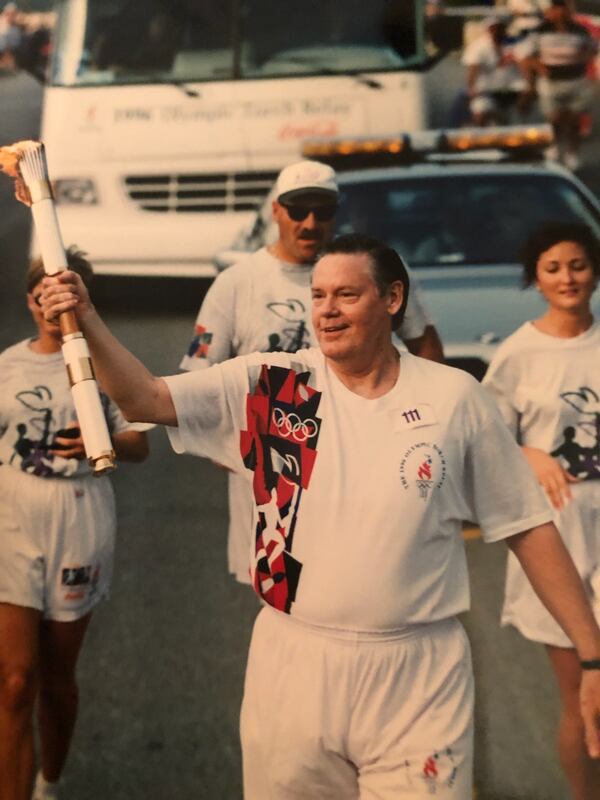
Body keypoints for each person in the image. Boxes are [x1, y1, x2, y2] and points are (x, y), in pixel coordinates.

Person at [40, 232, 600, 799]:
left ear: (393, 299)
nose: (327, 310)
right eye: (319, 296)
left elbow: (527, 527)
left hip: (419, 671)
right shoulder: (274, 386)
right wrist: (85, 316)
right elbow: (145, 400)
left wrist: (593, 658)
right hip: (295, 662)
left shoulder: (455, 399)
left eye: (347, 295)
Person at [180, 159, 444, 584]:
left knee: (364, 583)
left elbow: (425, 344)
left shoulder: (375, 269)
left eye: (322, 212)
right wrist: (224, 445)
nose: (309, 223)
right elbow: (197, 378)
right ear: (275, 211)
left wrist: (420, 424)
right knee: (278, 592)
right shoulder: (236, 284)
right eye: (297, 210)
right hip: (270, 475)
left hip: (357, 461)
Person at [0, 249, 149, 800]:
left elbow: (140, 446)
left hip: (80, 514)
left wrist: (99, 441)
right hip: (14, 514)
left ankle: (49, 783)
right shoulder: (7, 366)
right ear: (31, 300)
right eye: (42, 294)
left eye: (63, 294)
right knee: (15, 682)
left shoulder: (104, 365)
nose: (50, 305)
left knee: (56, 682)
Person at [484, 221, 600, 799]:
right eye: (553, 268)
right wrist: (529, 452)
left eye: (578, 265)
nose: (568, 278)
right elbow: (487, 440)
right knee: (583, 694)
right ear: (536, 277)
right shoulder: (519, 353)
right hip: (559, 533)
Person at [516, 0, 598, 169]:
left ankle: (572, 153)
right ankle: (553, 148)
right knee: (554, 118)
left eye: (563, 9)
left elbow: (593, 49)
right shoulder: (539, 32)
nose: (560, 13)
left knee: (574, 120)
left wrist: (583, 58)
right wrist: (537, 68)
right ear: (551, 11)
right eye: (556, 9)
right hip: (551, 82)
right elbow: (524, 55)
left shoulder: (580, 31)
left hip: (576, 79)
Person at [461, 15, 529, 126]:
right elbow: (472, 70)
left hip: (512, 89)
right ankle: (480, 139)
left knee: (526, 97)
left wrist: (529, 85)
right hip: (487, 91)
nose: (497, 31)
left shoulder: (514, 44)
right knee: (480, 111)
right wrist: (471, 89)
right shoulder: (478, 47)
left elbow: (524, 65)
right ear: (488, 29)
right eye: (493, 28)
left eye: (499, 28)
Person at [0, 2, 22, 70]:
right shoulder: (2, 25)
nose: (12, 16)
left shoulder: (16, 29)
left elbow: (16, 43)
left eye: (14, 14)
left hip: (11, 54)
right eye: (10, 14)